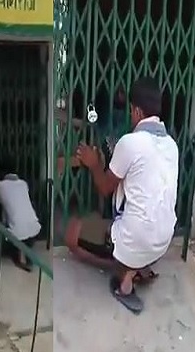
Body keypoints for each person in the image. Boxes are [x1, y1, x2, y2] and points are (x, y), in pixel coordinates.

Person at [72, 77, 179, 314]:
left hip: (135, 239)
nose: (130, 115)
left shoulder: (131, 142)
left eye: (131, 110)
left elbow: (104, 188)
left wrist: (92, 164)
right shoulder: (172, 145)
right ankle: (140, 265)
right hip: (164, 240)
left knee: (72, 235)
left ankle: (124, 274)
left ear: (137, 110)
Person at [0, 157, 42, 272]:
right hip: (34, 225)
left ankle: (16, 257)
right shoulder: (23, 183)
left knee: (9, 225)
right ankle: (28, 257)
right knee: (24, 230)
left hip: (16, 229)